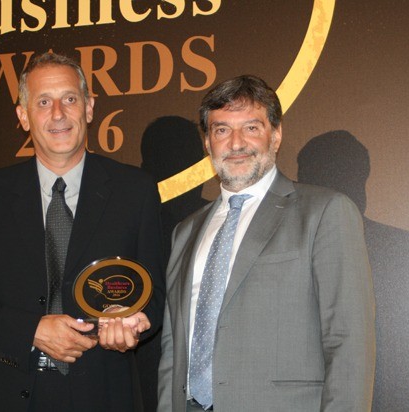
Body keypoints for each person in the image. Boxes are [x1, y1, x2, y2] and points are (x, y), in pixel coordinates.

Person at [0, 52, 165, 412]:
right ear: (23, 116)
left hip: (102, 394)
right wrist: (31, 330)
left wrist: (133, 322)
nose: (58, 114)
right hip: (4, 395)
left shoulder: (135, 191)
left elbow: (154, 293)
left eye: (69, 99)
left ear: (89, 107)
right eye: (43, 102)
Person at [157, 75, 375, 411]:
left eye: (251, 128)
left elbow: (349, 341)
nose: (236, 143)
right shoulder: (185, 231)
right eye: (221, 130)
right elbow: (172, 350)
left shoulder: (324, 212)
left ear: (276, 135)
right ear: (208, 143)